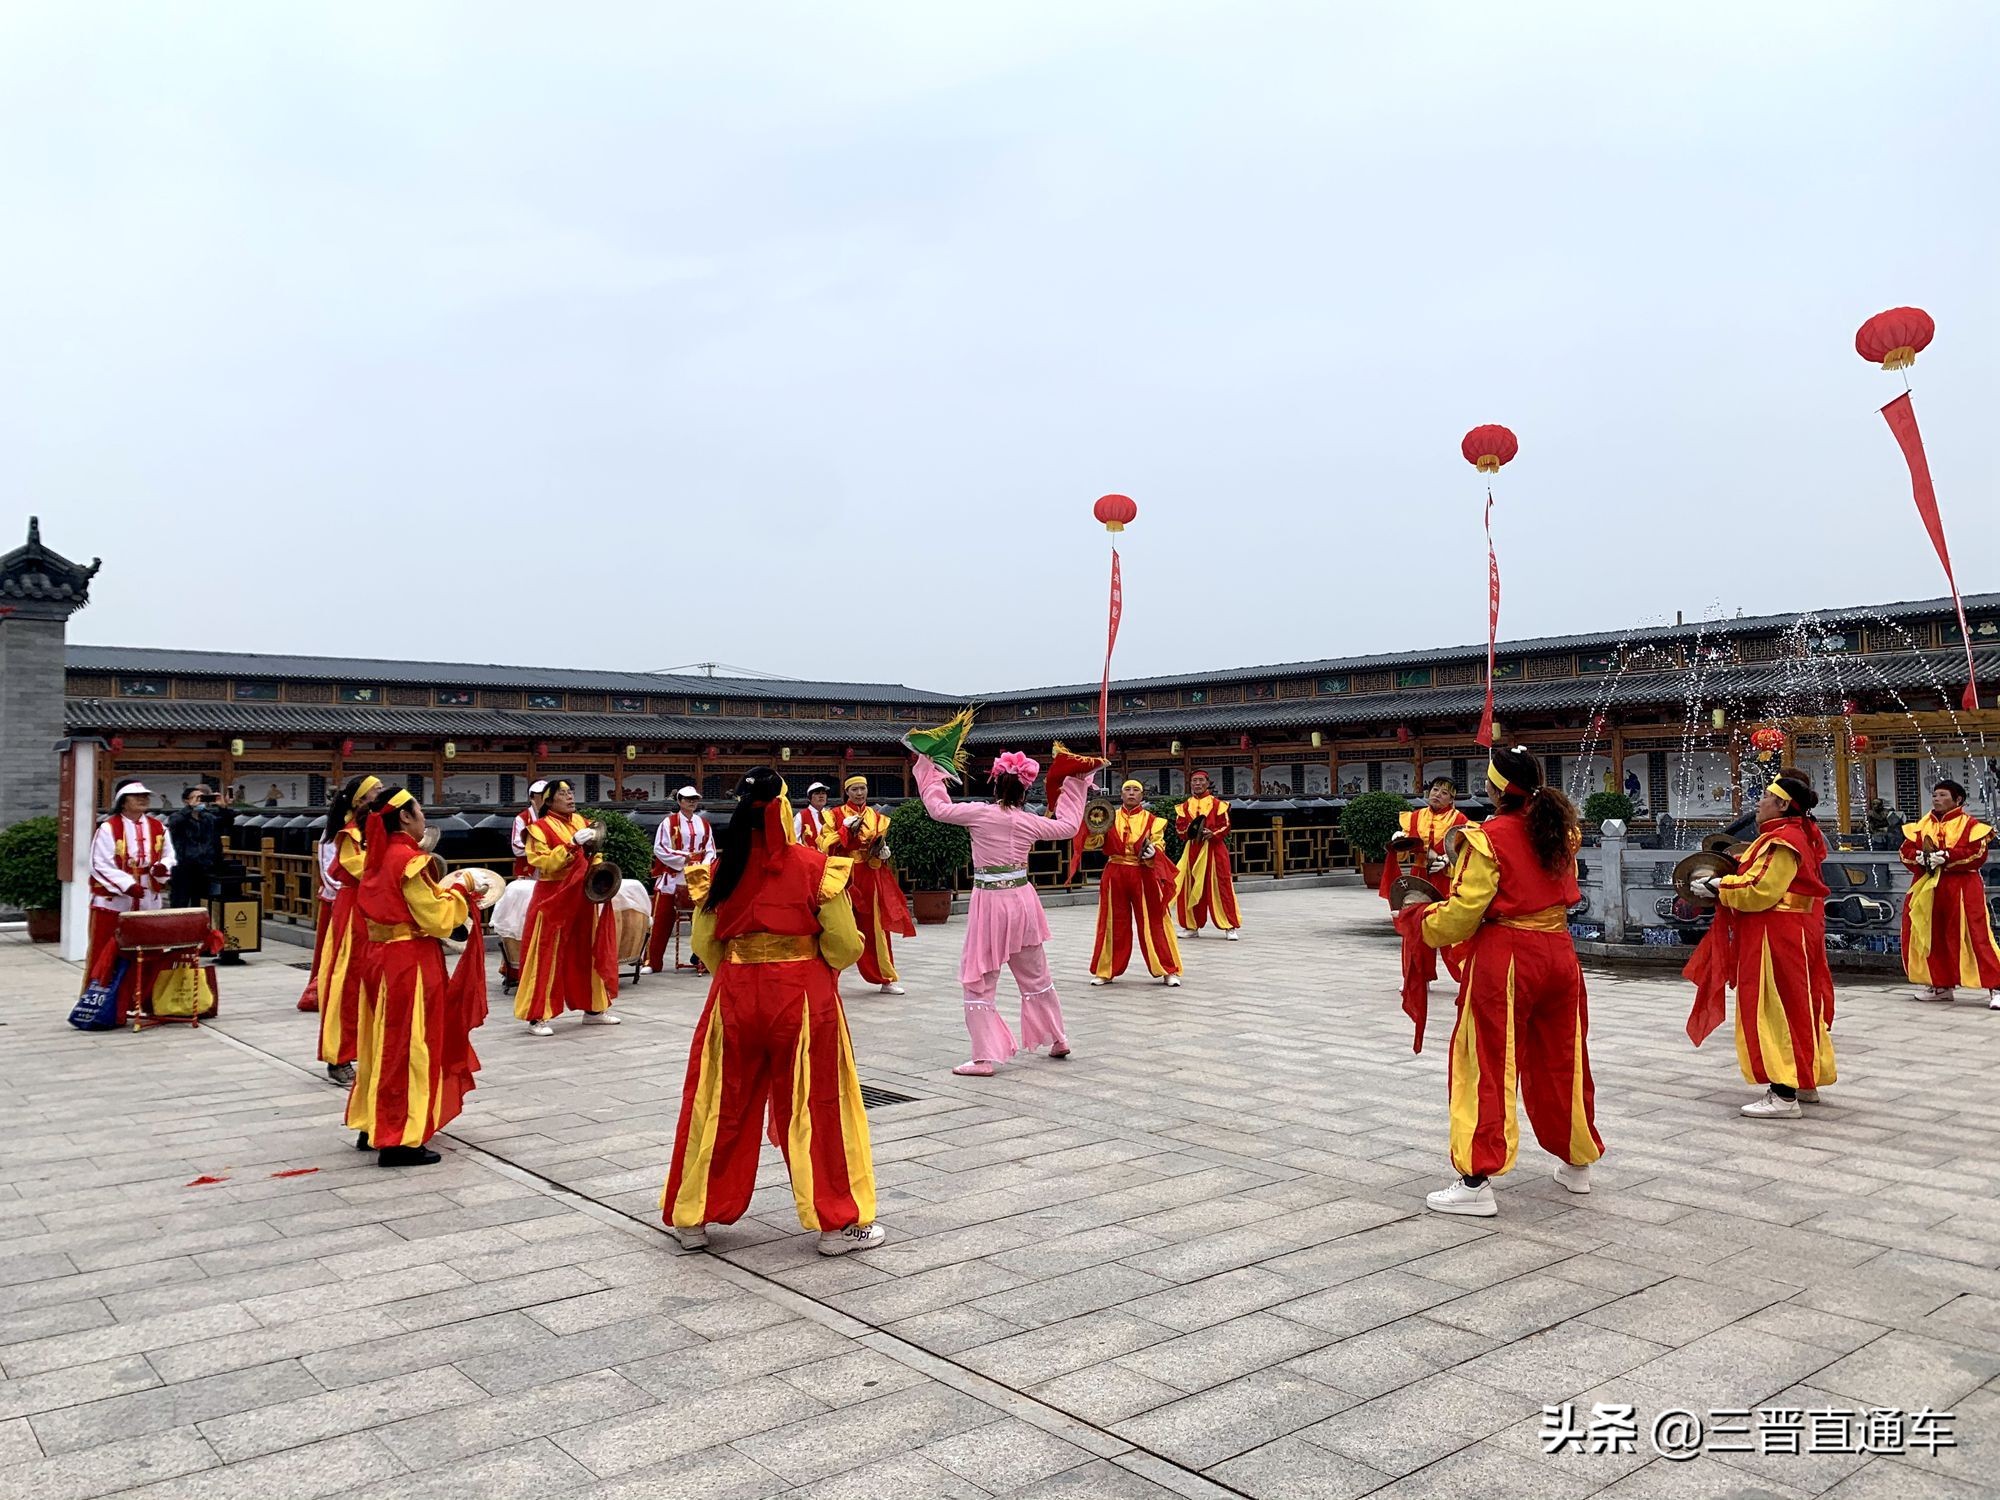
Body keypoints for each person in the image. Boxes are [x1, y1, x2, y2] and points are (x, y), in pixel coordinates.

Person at [662, 768, 885, 1256]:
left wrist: (740, 968)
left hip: (735, 996)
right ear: (784, 809)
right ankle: (836, 1225)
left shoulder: (720, 871)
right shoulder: (814, 867)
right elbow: (845, 945)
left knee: (720, 1103)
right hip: (802, 997)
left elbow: (704, 943)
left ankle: (693, 1217)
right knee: (818, 1103)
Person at [1397, 747, 1602, 1217]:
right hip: (1560, 955)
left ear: (1495, 790)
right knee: (1563, 1058)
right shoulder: (1560, 830)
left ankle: (1476, 1181)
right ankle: (1577, 1163)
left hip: (1507, 957)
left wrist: (1417, 919)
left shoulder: (1486, 838)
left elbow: (1464, 912)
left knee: (1486, 1061)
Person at [913, 749, 1095, 1076]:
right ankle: (1058, 1038)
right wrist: (1076, 783)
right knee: (1036, 975)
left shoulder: (979, 813)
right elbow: (1068, 827)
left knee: (979, 979)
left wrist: (929, 767)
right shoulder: (1029, 821)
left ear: (996, 784)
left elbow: (939, 809)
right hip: (1023, 900)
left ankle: (983, 1058)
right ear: (1024, 790)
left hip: (991, 902)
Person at [345, 787, 488, 1166]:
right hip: (408, 962)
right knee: (410, 1045)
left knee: (380, 1043)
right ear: (405, 817)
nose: (424, 818)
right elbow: (436, 917)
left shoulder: (376, 856)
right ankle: (400, 1138)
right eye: (420, 811)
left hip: (379, 958)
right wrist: (462, 889)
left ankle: (372, 1124)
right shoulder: (409, 860)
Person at [1683, 768, 1837, 1120]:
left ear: (1783, 804)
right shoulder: (1793, 833)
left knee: (1773, 1006)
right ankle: (1802, 1079)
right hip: (1791, 931)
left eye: (1766, 796)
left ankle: (1783, 1093)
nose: (1759, 802)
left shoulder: (1783, 840)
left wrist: (1718, 886)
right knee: (1798, 1003)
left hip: (1776, 934)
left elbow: (1761, 889)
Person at [515, 778, 622, 1035]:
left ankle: (594, 1009)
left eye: (570, 792)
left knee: (587, 949)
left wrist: (597, 866)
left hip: (582, 894)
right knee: (545, 953)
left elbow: (594, 853)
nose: (570, 797)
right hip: (553, 896)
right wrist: (572, 844)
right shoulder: (538, 829)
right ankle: (537, 1016)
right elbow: (543, 862)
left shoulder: (582, 821)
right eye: (563, 793)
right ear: (549, 800)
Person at [1899, 779, 2000, 1006]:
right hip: (1928, 887)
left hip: (1962, 887)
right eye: (1935, 795)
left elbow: (1976, 853)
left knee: (1975, 934)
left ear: (1958, 799)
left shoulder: (1970, 825)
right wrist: (1919, 857)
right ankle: (1940, 985)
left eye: (1943, 795)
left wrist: (1947, 857)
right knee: (1931, 935)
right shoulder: (1923, 824)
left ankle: (1996, 986)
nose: (1937, 799)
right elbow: (1905, 851)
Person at [82, 782, 176, 1025]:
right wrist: (126, 884)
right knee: (106, 952)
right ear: (123, 801)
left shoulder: (158, 826)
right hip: (114, 899)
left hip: (148, 895)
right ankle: (104, 1007)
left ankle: (146, 1001)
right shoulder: (108, 828)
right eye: (136, 796)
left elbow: (169, 855)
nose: (143, 800)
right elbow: (99, 863)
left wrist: (163, 867)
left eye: (145, 796)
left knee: (151, 951)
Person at [308, 774, 381, 1082]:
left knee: (372, 981)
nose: (381, 794)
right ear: (359, 799)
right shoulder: (347, 832)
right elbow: (351, 871)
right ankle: (339, 1055)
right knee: (346, 982)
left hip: (373, 909)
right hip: (353, 910)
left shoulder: (373, 826)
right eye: (376, 791)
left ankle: (369, 1049)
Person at [818, 774, 915, 994]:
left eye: (862, 788)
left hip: (869, 874)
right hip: (843, 875)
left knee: (876, 927)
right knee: (837, 926)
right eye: (854, 789)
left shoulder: (877, 817)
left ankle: (885, 978)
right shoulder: (834, 815)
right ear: (846, 792)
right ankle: (829, 979)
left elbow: (877, 844)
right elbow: (823, 845)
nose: (859, 793)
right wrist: (844, 831)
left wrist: (881, 853)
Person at [1089, 780, 1183, 987]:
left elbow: (1159, 843)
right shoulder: (1108, 816)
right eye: (1127, 790)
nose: (1131, 793)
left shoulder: (1153, 821)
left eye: (1136, 790)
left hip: (1144, 872)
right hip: (1115, 872)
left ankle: (1168, 969)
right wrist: (1093, 829)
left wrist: (1154, 852)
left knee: (1155, 921)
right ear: (1121, 794)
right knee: (1112, 922)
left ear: (1142, 795)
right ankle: (1106, 970)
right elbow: (1094, 842)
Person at [645, 786, 715, 974]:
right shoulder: (668, 822)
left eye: (695, 799)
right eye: (688, 799)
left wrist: (704, 865)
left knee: (701, 922)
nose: (692, 802)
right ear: (679, 801)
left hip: (697, 878)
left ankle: (704, 960)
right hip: (673, 876)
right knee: (660, 920)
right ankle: (651, 961)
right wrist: (684, 858)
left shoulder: (704, 823)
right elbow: (660, 848)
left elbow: (710, 849)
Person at [1174, 770, 1241, 939]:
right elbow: (1179, 828)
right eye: (1194, 781)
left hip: (1214, 849)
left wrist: (1213, 833)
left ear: (1207, 782)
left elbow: (1225, 825)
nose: (1197, 784)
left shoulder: (1218, 804)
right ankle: (1191, 926)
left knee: (1221, 887)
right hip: (1193, 850)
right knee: (1189, 887)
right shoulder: (1184, 806)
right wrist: (1189, 832)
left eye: (1200, 780)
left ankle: (1229, 925)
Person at [166, 785, 228, 911]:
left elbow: (226, 823)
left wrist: (223, 808)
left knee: (200, 904)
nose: (200, 801)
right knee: (180, 903)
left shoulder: (208, 817)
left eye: (202, 797)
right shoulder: (178, 817)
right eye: (195, 797)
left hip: (205, 867)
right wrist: (190, 808)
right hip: (183, 867)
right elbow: (175, 824)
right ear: (186, 801)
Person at [510, 780, 549, 880]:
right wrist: (541, 848)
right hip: (528, 872)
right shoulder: (522, 818)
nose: (544, 798)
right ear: (532, 797)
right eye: (540, 795)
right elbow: (517, 848)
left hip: (550, 870)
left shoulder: (555, 816)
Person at [794, 783, 838, 847]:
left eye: (823, 793)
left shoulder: (831, 814)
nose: (821, 796)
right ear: (809, 798)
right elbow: (794, 840)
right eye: (817, 793)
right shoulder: (801, 816)